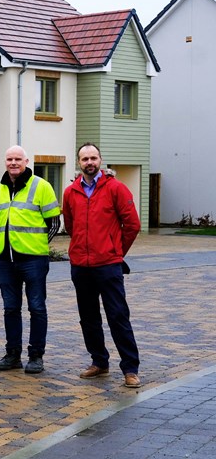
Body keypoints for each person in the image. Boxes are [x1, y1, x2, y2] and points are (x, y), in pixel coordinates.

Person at [62, 143, 142, 388]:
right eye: (84, 158)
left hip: (108, 265)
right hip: (81, 266)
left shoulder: (116, 188)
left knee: (118, 316)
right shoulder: (70, 192)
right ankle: (99, 362)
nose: (89, 162)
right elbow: (71, 224)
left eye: (93, 158)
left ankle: (130, 368)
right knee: (88, 317)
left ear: (100, 160)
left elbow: (132, 225)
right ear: (79, 162)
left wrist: (115, 251)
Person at [0, 145, 61, 374]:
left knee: (37, 308)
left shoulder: (41, 186)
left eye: (18, 159)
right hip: (6, 262)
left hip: (33, 261)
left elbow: (54, 224)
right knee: (10, 309)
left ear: (26, 161)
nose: (13, 163)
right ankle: (13, 355)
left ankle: (36, 356)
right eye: (9, 159)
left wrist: (36, 246)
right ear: (5, 161)